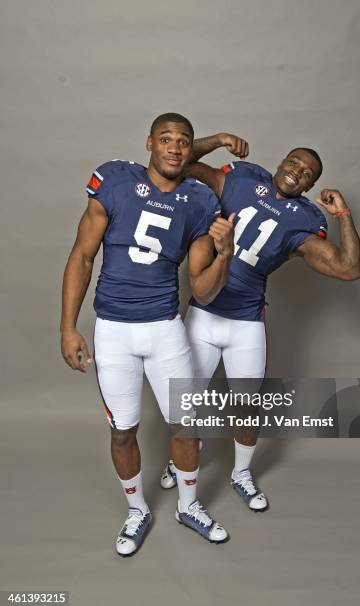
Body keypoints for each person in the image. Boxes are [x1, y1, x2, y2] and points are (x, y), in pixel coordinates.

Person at [60, 115, 236, 555]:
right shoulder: (116, 181)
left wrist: (226, 254)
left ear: (190, 149)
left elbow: (202, 288)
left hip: (164, 329)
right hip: (113, 330)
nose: (174, 148)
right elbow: (82, 257)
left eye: (183, 142)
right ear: (150, 144)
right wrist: (67, 327)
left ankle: (188, 505)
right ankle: (137, 509)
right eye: (166, 140)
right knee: (123, 431)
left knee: (186, 424)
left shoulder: (198, 201)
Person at [160, 133, 360, 511]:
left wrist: (344, 216)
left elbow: (348, 268)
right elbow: (181, 165)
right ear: (281, 161)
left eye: (307, 172)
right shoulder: (240, 179)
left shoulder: (305, 218)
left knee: (247, 404)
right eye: (293, 162)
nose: (296, 172)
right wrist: (218, 140)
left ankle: (241, 473)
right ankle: (182, 459)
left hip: (246, 321)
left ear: (311, 185)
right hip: (203, 313)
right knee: (186, 402)